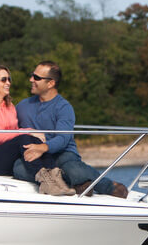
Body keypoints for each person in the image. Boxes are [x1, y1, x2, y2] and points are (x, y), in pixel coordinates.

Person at [12, 60, 128, 198]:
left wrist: (42, 147)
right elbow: (8, 128)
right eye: (32, 75)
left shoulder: (64, 107)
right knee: (18, 168)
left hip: (63, 154)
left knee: (74, 170)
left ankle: (110, 187)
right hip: (38, 157)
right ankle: (77, 183)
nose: (31, 79)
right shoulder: (22, 106)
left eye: (36, 77)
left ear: (50, 83)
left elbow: (63, 138)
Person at [0, 63, 75, 196]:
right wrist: (29, 131)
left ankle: (56, 179)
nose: (8, 83)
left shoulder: (9, 106)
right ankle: (46, 183)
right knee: (26, 136)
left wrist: (32, 135)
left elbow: (14, 135)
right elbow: (0, 136)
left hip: (7, 156)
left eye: (9, 79)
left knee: (31, 139)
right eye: (3, 80)